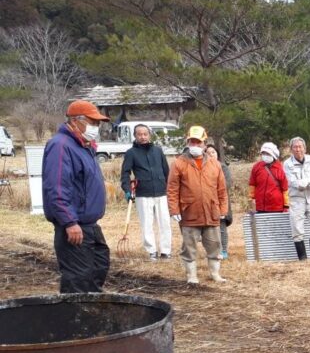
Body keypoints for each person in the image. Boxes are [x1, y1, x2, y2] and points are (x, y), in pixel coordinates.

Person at [42, 100, 110, 293]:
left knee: (99, 267)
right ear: (75, 120)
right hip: (74, 225)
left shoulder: (84, 146)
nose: (96, 127)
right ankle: (73, 318)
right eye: (92, 122)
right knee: (78, 279)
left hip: (90, 224)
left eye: (98, 123)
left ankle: (91, 314)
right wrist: (69, 222)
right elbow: (56, 187)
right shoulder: (61, 146)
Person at [167, 126, 229, 284]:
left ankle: (215, 274)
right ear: (187, 142)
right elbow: (172, 188)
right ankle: (191, 276)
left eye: (198, 142)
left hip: (211, 211)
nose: (195, 145)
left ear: (205, 144)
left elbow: (222, 189)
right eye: (191, 141)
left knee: (214, 245)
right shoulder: (179, 163)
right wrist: (174, 209)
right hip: (189, 212)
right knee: (189, 246)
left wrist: (223, 209)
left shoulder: (215, 164)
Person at [120, 123, 172, 261]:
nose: (142, 137)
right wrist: (127, 190)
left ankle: (166, 251)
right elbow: (125, 173)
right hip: (143, 193)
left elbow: (167, 171)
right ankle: (152, 251)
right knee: (147, 224)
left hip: (161, 191)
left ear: (149, 135)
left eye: (145, 134)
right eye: (139, 134)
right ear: (135, 136)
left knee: (165, 223)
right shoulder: (131, 153)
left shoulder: (158, 150)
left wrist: (170, 188)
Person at [283, 136, 310, 261]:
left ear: (305, 148)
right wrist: (308, 182)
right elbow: (293, 182)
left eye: (300, 147)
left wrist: (307, 182)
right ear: (291, 149)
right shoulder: (287, 164)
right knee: (297, 230)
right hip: (297, 200)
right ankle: (302, 259)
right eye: (295, 147)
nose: (298, 149)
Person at [206, 144, 232, 258]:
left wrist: (213, 189)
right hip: (207, 202)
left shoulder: (223, 167)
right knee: (210, 229)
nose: (211, 155)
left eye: (213, 152)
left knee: (221, 227)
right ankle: (214, 250)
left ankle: (224, 250)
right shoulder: (203, 167)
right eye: (208, 153)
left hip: (221, 200)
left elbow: (228, 183)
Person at [249, 142, 289, 214]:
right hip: (259, 206)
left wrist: (286, 206)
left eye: (267, 154)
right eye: (263, 153)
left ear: (273, 155)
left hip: (276, 207)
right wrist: (252, 199)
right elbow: (252, 184)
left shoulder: (280, 169)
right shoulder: (257, 167)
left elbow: (285, 189)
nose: (265, 156)